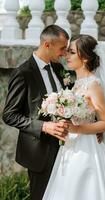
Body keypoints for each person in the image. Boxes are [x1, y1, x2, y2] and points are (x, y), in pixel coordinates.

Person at [42, 34, 105, 200]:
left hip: (87, 151)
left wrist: (76, 128)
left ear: (84, 58)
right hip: (71, 147)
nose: (66, 56)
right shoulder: (77, 84)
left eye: (71, 52)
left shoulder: (93, 84)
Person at [2, 25, 71, 200]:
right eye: (62, 48)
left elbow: (71, 100)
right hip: (40, 151)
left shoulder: (58, 69)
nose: (64, 53)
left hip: (68, 149)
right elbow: (9, 115)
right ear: (47, 44)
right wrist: (44, 126)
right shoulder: (23, 73)